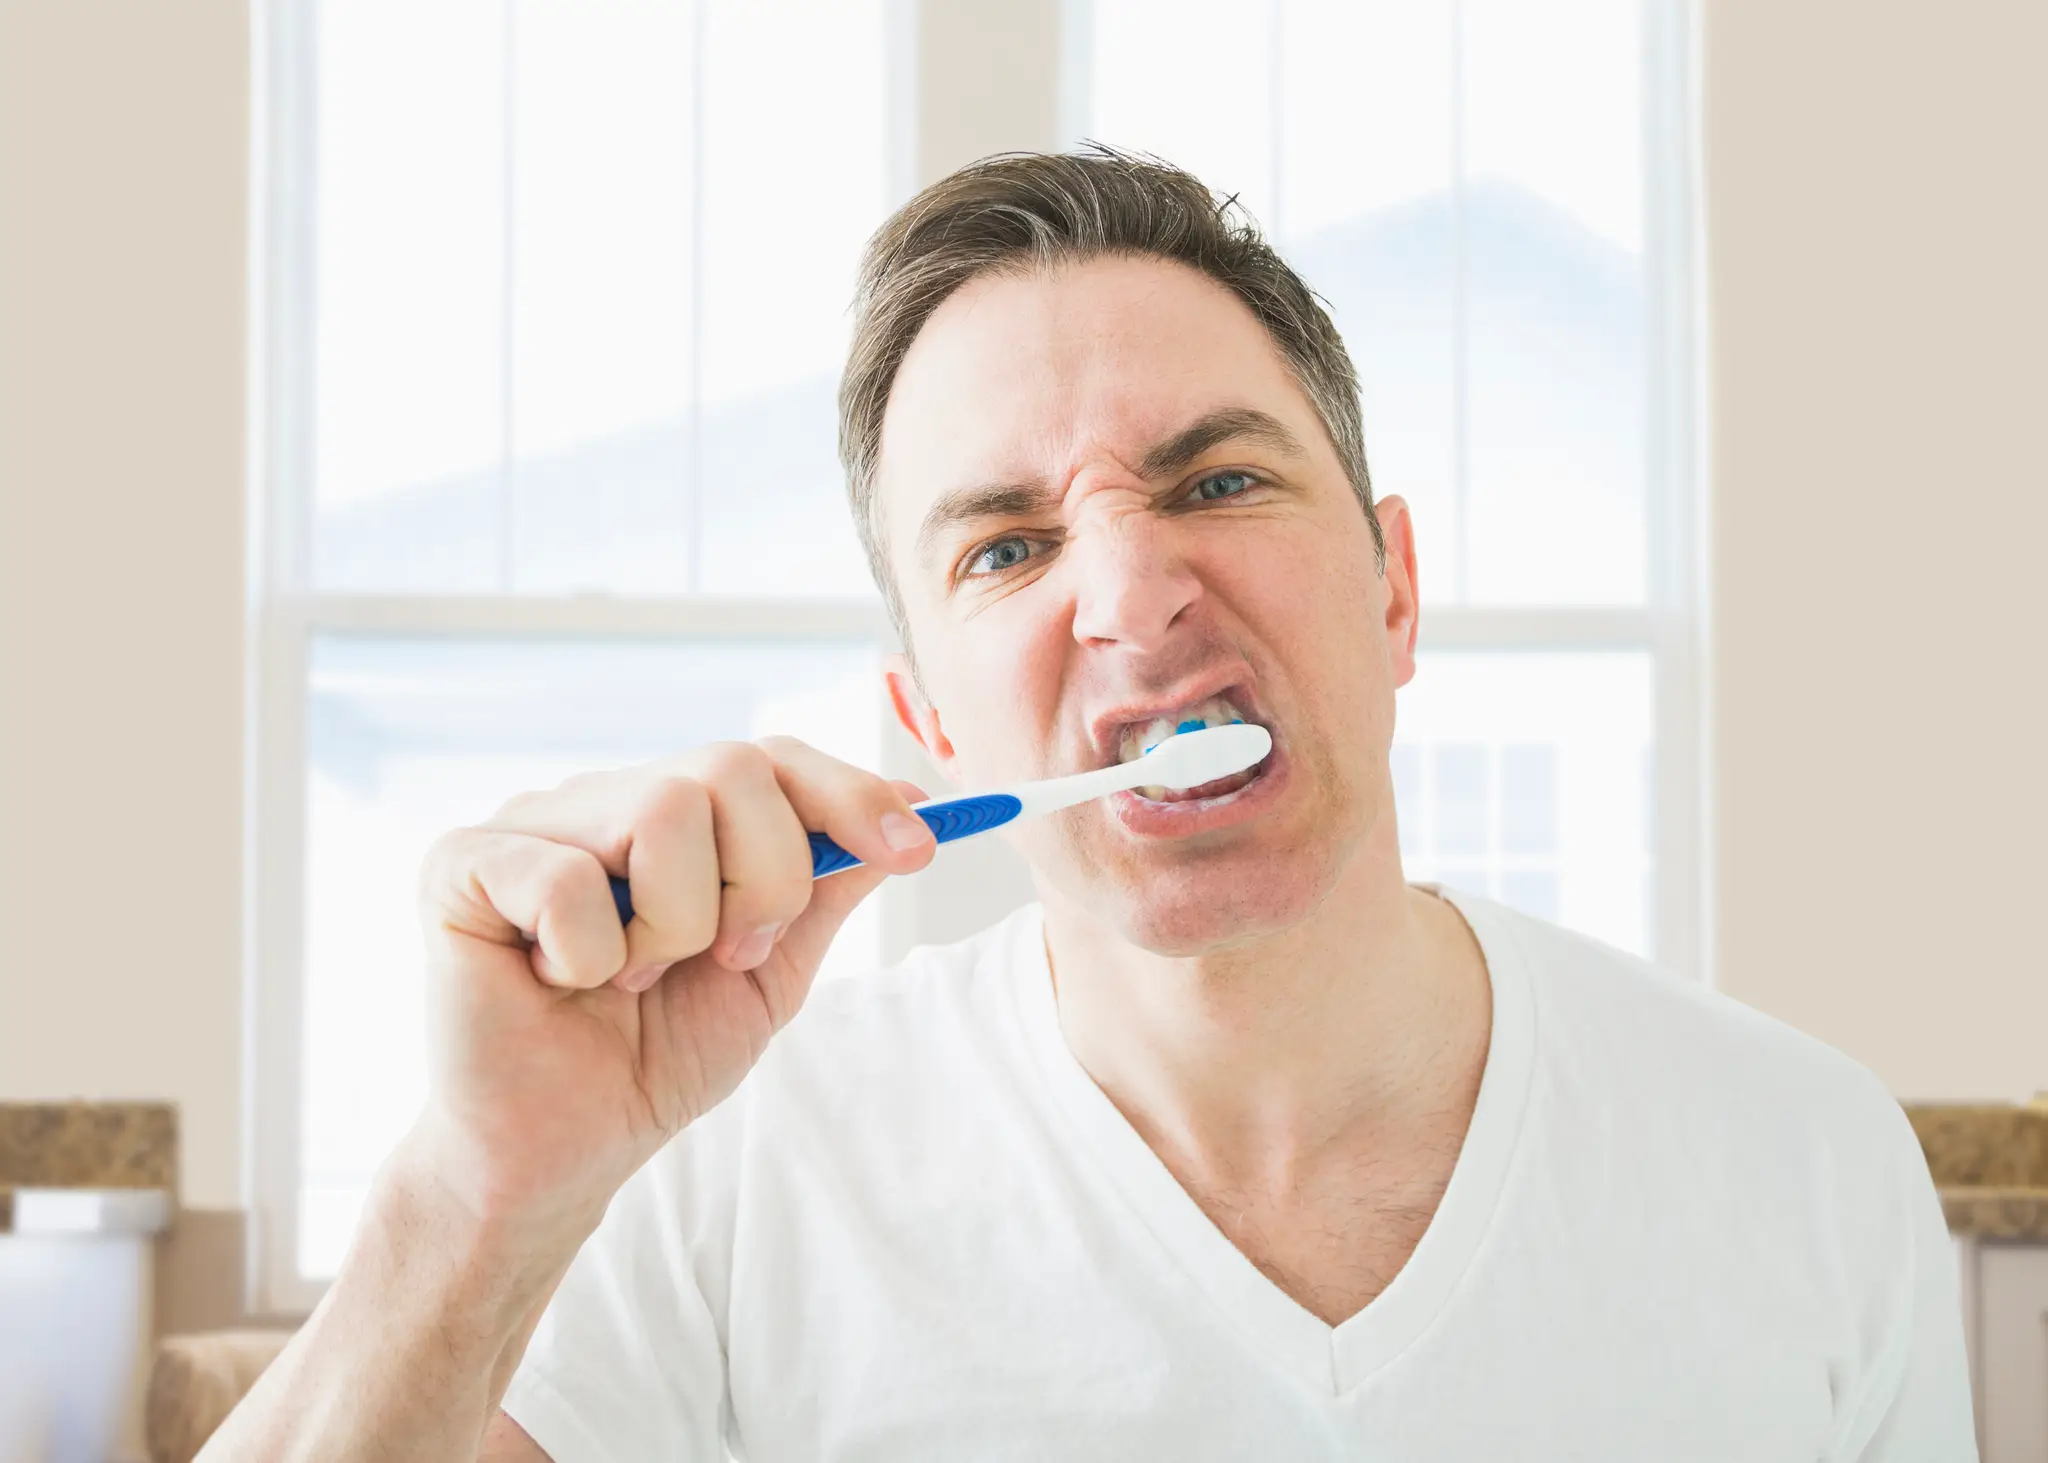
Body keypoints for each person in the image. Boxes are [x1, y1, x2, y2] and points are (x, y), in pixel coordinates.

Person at [204, 149, 1976, 1462]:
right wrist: (477, 1195)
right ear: (929, 726)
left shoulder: (1805, 1163)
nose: (1131, 592)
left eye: (1215, 475)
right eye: (1009, 544)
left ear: (1393, 591)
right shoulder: (722, 1179)